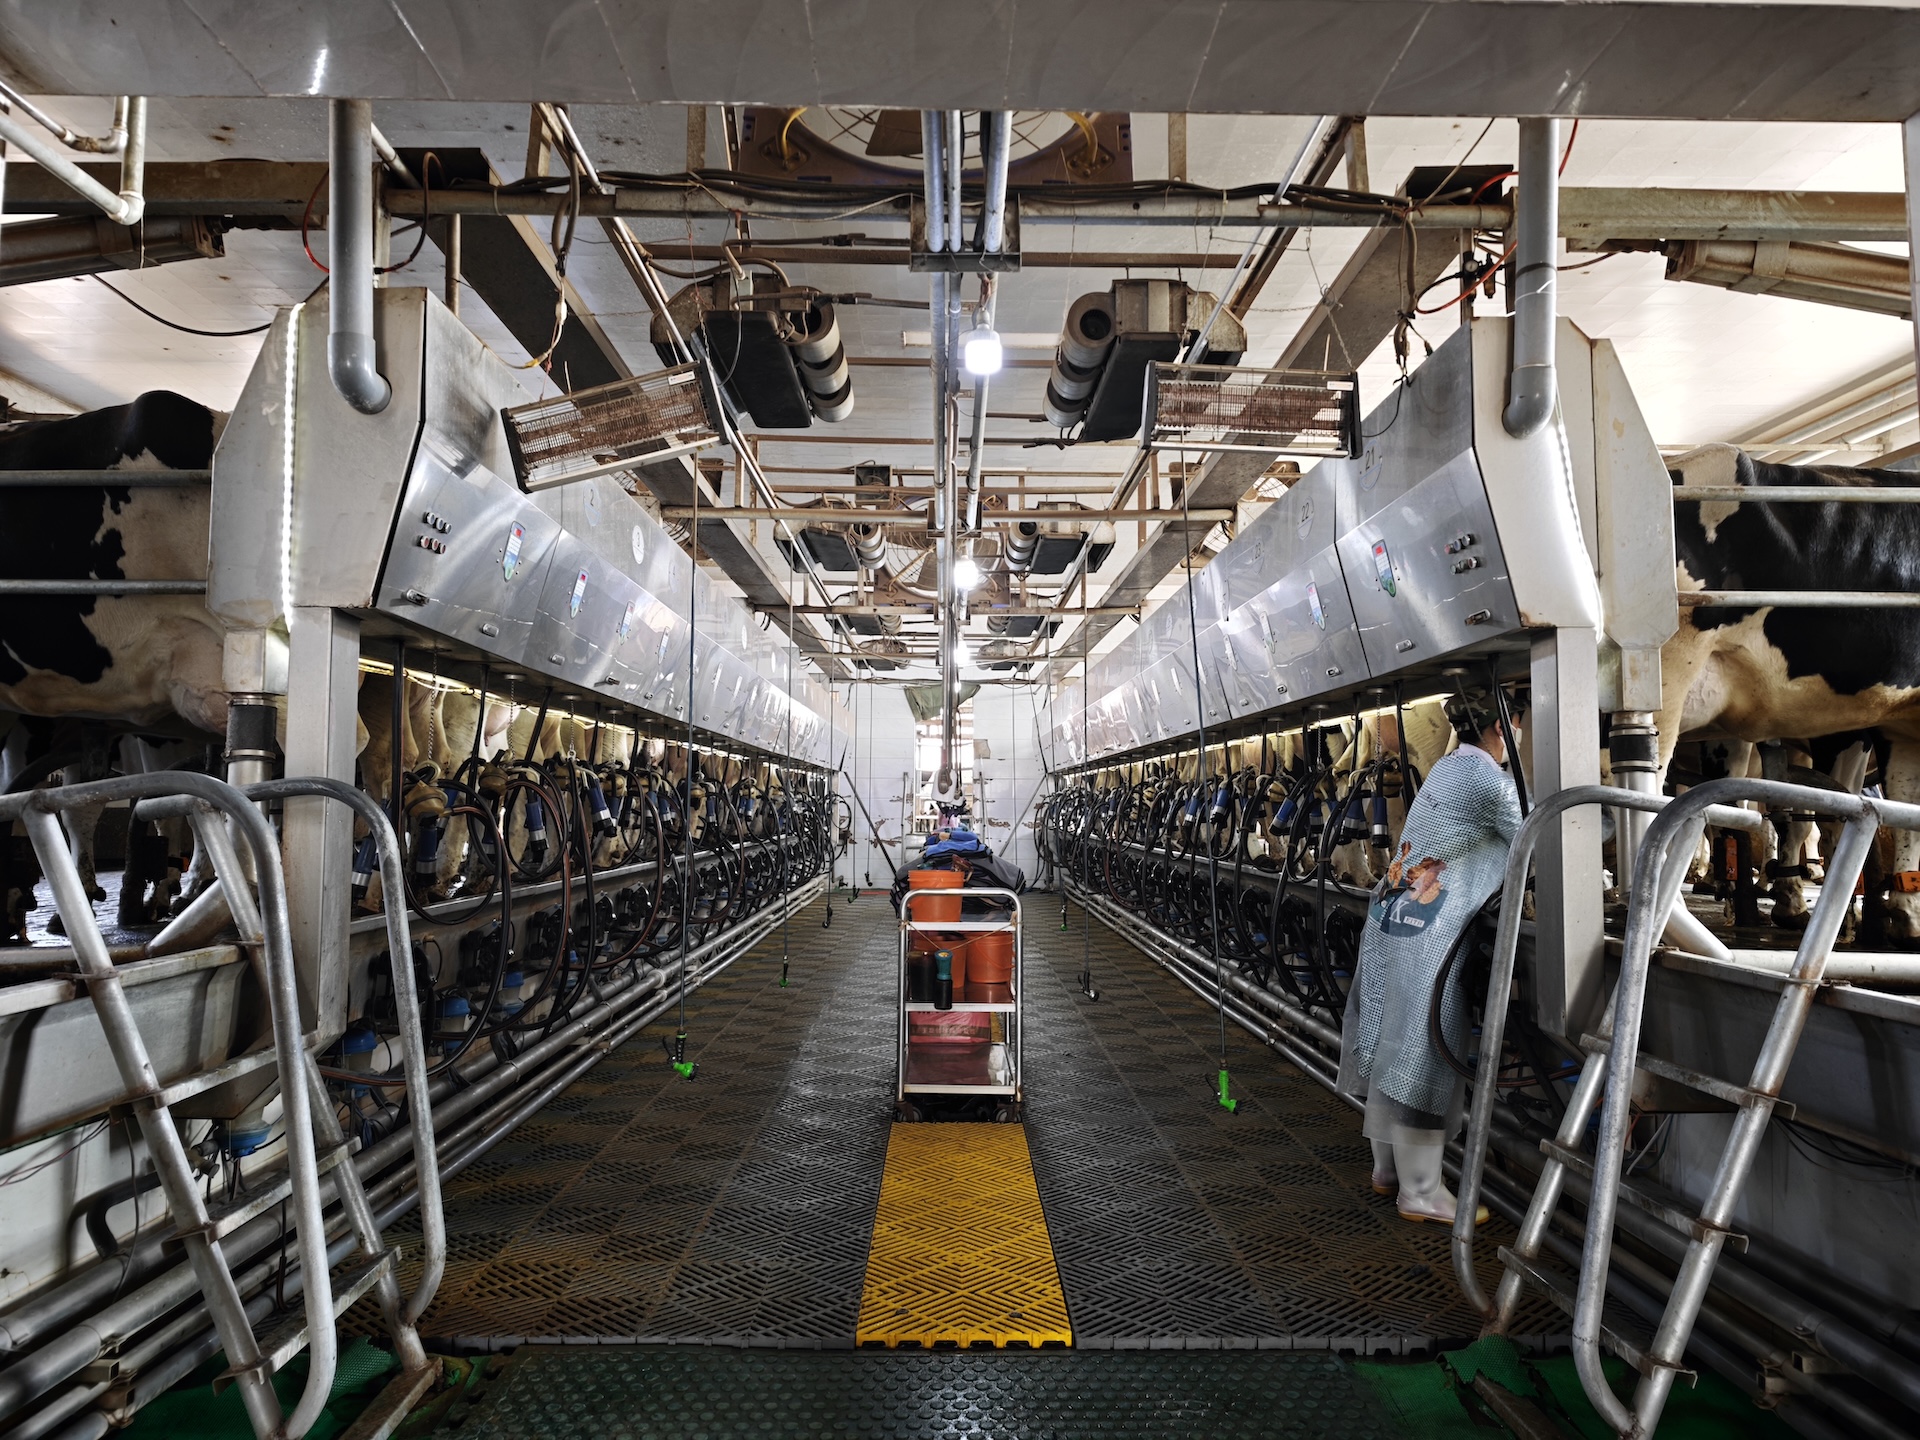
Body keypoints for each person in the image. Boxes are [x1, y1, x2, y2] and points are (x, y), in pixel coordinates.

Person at [1338, 689, 1524, 1224]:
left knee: (1391, 1042)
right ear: (1506, 724)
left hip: (1396, 920)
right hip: (1432, 934)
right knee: (1424, 1051)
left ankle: (1389, 1172)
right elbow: (1544, 834)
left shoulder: (1445, 768)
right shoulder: (1488, 779)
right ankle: (1420, 1191)